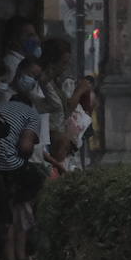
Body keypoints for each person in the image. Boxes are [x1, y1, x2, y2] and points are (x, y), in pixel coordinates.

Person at [0, 57, 46, 260]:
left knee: (10, 216)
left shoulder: (2, 106)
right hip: (16, 169)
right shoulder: (27, 113)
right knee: (19, 216)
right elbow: (26, 145)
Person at [39, 38, 94, 173]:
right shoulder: (44, 85)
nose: (65, 67)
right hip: (53, 145)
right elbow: (64, 110)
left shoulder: (56, 83)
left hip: (63, 144)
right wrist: (79, 90)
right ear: (52, 62)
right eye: (63, 63)